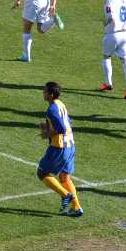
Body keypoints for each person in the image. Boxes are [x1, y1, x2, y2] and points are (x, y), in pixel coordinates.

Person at [37, 82, 83, 217]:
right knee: (64, 177)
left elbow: (61, 128)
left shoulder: (51, 109)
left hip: (59, 148)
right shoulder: (60, 104)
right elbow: (68, 122)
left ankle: (65, 195)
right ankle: (77, 208)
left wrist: (47, 134)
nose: (43, 93)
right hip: (70, 145)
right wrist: (47, 126)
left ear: (51, 95)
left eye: (45, 91)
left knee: (42, 173)